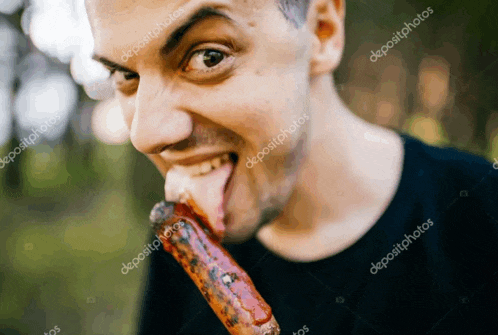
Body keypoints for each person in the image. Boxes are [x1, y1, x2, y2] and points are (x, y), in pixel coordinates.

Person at [86, 0, 498, 333]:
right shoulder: (179, 245)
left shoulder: (483, 212)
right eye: (125, 75)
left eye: (208, 56)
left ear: (322, 30)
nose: (146, 134)